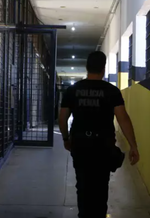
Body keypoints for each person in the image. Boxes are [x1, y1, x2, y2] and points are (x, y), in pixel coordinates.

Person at [58, 51, 140, 218]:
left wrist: (66, 138)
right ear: (103, 69)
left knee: (82, 185)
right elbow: (123, 118)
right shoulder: (112, 91)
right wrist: (133, 145)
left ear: (87, 67)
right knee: (100, 186)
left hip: (80, 144)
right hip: (103, 145)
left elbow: (62, 118)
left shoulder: (73, 90)